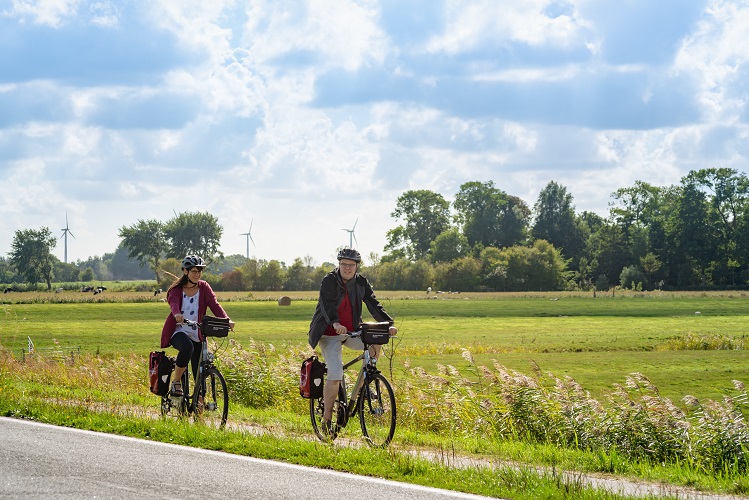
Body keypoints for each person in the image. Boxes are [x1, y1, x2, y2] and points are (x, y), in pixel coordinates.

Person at [308, 248, 397, 433]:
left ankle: (366, 382)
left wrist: (387, 324)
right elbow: (328, 305)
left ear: (357, 267)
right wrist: (335, 323)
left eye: (351, 265)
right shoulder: (329, 281)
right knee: (335, 374)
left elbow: (373, 304)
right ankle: (326, 419)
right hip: (329, 333)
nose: (347, 268)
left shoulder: (361, 282)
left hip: (352, 332)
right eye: (344, 264)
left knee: (376, 342)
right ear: (339, 264)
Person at [160, 255, 234, 398]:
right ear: (185, 271)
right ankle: (176, 381)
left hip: (198, 332)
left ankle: (197, 406)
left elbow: (214, 305)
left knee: (200, 372)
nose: (197, 274)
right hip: (179, 330)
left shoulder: (204, 287)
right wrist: (177, 314)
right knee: (187, 347)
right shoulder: (176, 289)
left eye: (199, 271)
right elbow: (173, 303)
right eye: (194, 271)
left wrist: (227, 320)